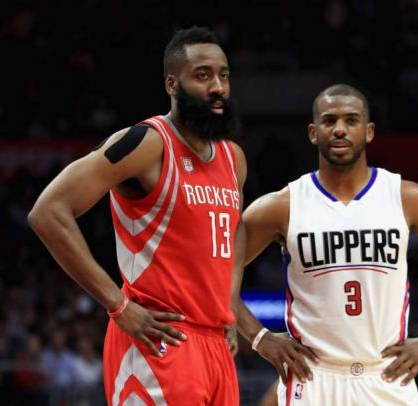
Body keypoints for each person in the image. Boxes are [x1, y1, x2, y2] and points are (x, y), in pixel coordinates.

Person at [231, 84, 418, 405]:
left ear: (368, 132)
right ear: (313, 133)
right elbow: (211, 273)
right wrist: (259, 338)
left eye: (351, 120)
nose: (340, 129)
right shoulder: (282, 205)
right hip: (313, 377)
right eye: (330, 121)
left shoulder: (406, 197)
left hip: (385, 375)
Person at [29, 26, 246, 406]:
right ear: (171, 84)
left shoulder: (233, 158)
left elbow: (229, 236)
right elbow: (48, 212)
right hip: (158, 340)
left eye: (223, 76)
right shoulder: (146, 143)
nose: (217, 87)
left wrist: (227, 304)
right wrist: (118, 304)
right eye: (203, 75)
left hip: (216, 346)